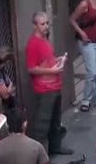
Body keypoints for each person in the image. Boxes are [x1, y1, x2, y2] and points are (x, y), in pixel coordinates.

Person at [26, 12, 71, 156]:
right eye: (42, 24)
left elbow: (46, 60)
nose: (46, 26)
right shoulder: (33, 44)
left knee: (55, 121)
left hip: (55, 86)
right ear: (35, 25)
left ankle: (55, 147)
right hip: (44, 89)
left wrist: (56, 61)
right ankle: (41, 156)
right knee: (42, 124)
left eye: (47, 23)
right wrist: (52, 70)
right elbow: (31, 68)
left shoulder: (45, 40)